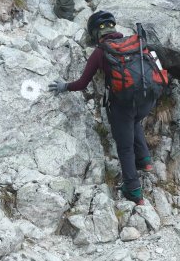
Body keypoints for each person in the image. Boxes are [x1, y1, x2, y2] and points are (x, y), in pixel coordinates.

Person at [46, 11, 159, 206]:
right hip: (148, 99)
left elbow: (82, 83)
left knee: (124, 147)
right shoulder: (134, 43)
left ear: (95, 34)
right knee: (135, 121)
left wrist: (64, 86)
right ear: (114, 28)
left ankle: (133, 191)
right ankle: (145, 160)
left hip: (123, 105)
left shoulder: (101, 52)